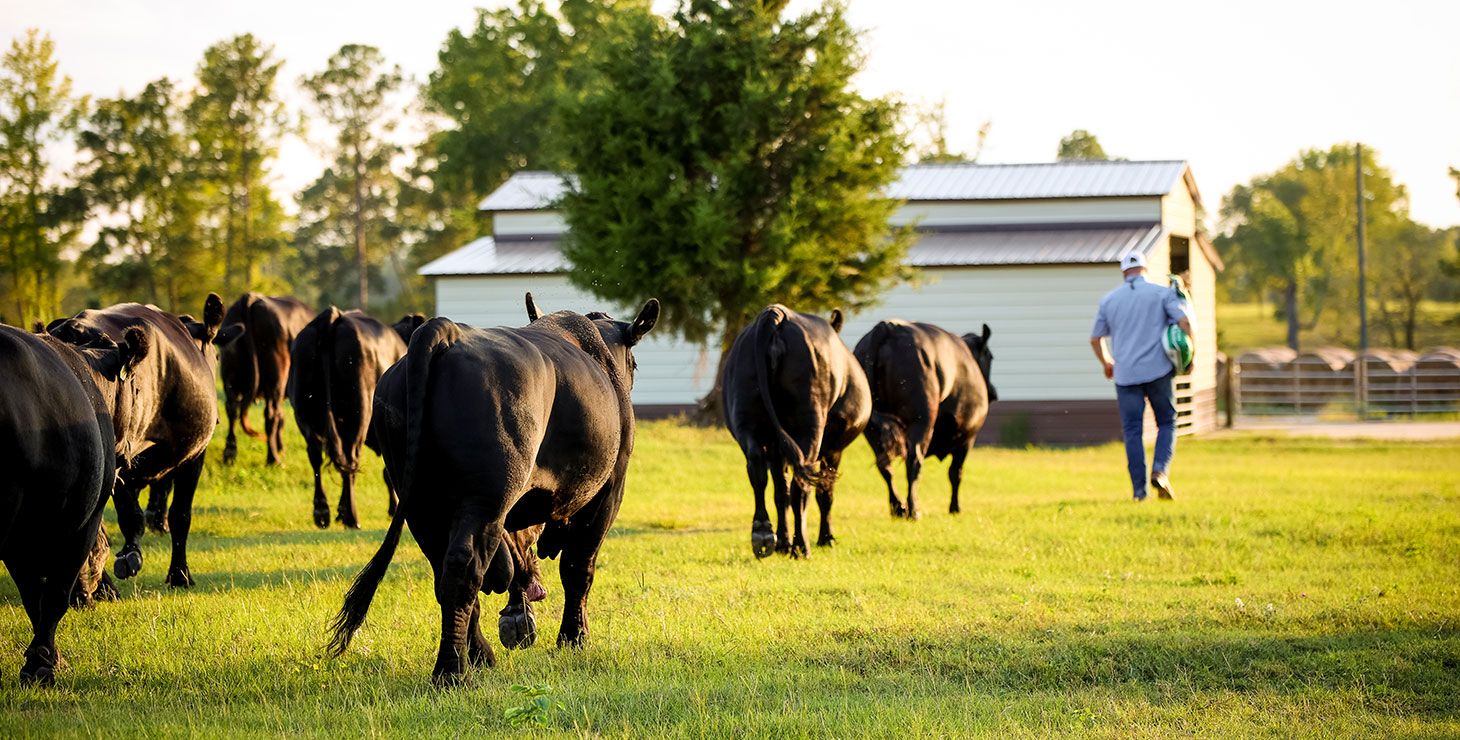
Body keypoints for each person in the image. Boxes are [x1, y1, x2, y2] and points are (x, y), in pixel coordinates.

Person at [1089, 251, 1193, 502]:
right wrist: (1191, 356)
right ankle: (1160, 471)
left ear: (1124, 272)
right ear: (1145, 269)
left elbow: (1095, 339)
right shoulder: (1162, 293)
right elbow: (1185, 323)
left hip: (1125, 375)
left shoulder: (1109, 300)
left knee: (1133, 431)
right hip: (1158, 370)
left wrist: (1107, 363)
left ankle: (1139, 493)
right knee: (1167, 422)